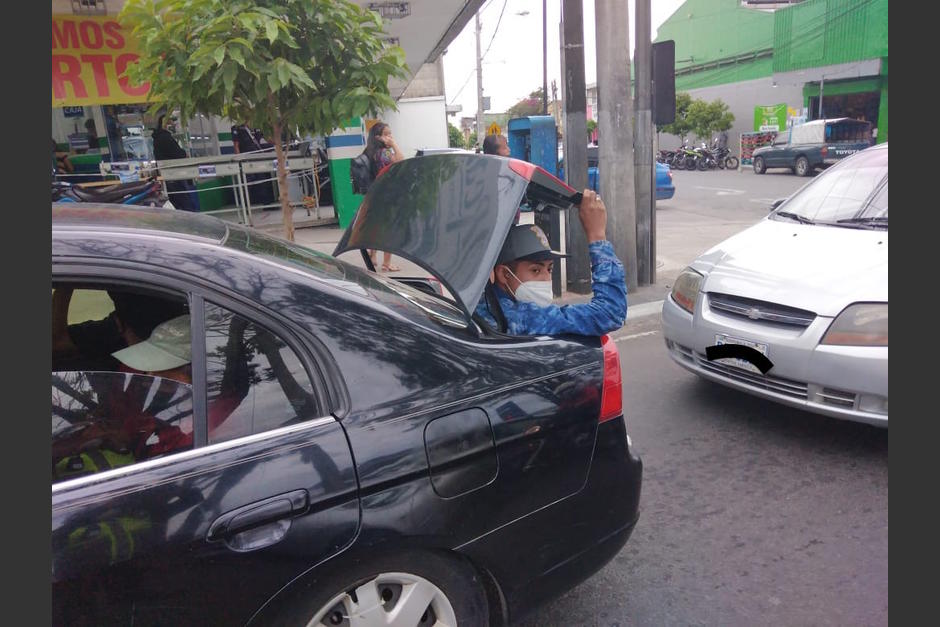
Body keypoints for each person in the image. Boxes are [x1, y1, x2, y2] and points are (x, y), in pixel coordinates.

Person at [474, 189, 627, 336]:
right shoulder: (523, 317)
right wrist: (597, 236)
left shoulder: (481, 305)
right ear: (504, 274)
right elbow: (610, 312)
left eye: (550, 269)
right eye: (535, 270)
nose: (546, 279)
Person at [364, 122, 405, 272]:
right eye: (386, 134)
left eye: (390, 133)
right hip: (386, 195)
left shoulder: (369, 151)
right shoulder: (385, 153)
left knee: (377, 227)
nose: (390, 136)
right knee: (389, 230)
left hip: (374, 194)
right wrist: (394, 144)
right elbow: (401, 160)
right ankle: (386, 263)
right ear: (378, 137)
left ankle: (373, 255)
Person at [152, 114, 198, 211]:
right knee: (184, 201)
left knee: (175, 199)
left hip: (166, 173)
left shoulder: (158, 137)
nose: (173, 124)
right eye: (171, 121)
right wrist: (184, 153)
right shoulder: (165, 137)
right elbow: (177, 153)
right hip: (173, 173)